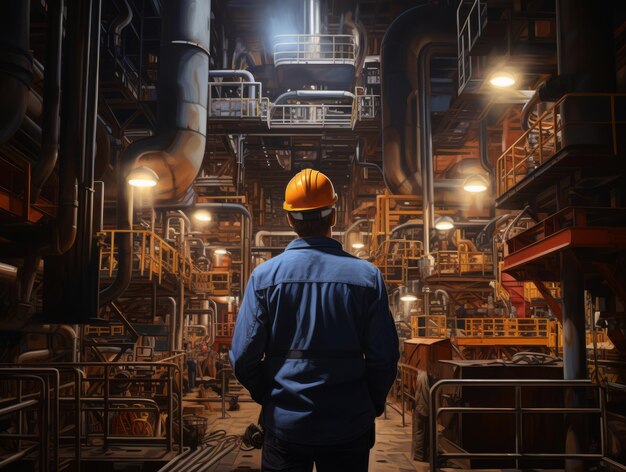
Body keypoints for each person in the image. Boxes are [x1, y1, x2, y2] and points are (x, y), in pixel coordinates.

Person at [230, 169, 399, 471]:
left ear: (289, 220)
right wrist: (367, 405)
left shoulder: (264, 277)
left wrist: (269, 397)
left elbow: (243, 357)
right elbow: (384, 358)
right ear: (333, 215)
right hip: (349, 424)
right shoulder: (367, 277)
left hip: (285, 423)